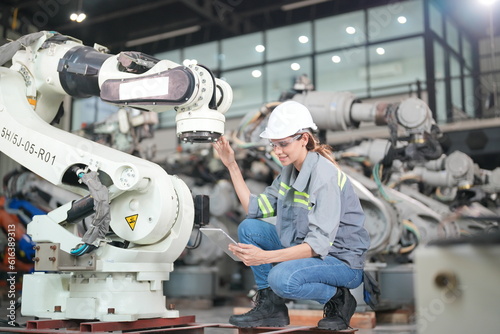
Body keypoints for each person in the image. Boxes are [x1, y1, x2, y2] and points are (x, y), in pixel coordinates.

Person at [212, 100, 370, 330]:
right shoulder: (288, 174)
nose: (277, 151)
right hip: (309, 250)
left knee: (280, 279)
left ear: (304, 138)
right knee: (249, 228)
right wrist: (231, 164)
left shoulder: (324, 177)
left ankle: (339, 299)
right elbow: (255, 208)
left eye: (283, 144)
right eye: (273, 145)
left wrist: (263, 258)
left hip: (340, 262)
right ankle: (272, 308)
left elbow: (317, 246)